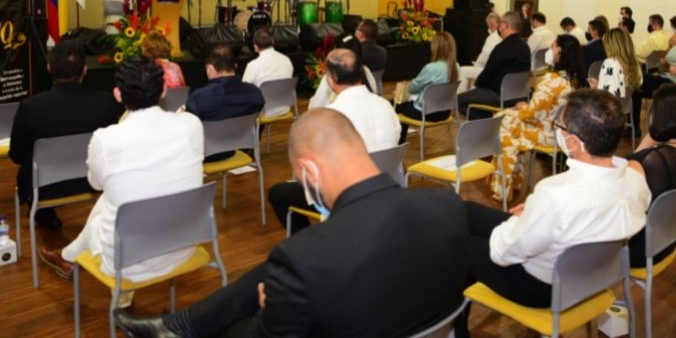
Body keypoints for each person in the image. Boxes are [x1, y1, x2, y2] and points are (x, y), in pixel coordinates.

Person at [114, 109, 471, 338]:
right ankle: (182, 326)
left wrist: (272, 311)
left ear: (311, 170)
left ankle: (186, 329)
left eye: (300, 179)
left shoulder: (305, 257)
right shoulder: (448, 204)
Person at [464, 89, 650, 307]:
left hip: (543, 289)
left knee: (458, 241)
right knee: (466, 211)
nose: (558, 133)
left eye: (560, 127)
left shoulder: (554, 194)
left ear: (573, 143)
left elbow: (501, 254)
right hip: (589, 278)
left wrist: (523, 218)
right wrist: (535, 212)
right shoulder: (636, 181)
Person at [38, 57, 204, 287]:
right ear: (164, 90)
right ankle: (67, 256)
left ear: (118, 95)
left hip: (126, 262)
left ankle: (67, 256)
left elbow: (95, 184)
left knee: (110, 198)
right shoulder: (192, 124)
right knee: (118, 196)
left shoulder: (106, 139)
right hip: (184, 244)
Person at [269, 48, 401, 231]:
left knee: (278, 193)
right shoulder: (385, 104)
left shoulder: (333, 116)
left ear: (330, 81)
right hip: (385, 184)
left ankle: (311, 243)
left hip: (348, 195)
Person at [9, 40, 120, 229]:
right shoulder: (106, 103)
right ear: (85, 70)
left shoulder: (30, 107)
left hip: (43, 188)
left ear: (48, 68)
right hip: (93, 181)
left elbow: (17, 156)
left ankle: (44, 214)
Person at [489, 34, 583, 201]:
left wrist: (520, 109)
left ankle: (504, 185)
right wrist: (524, 109)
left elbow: (531, 113)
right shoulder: (572, 79)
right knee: (508, 121)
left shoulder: (551, 80)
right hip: (559, 132)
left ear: (559, 51)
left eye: (553, 46)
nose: (550, 49)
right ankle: (511, 181)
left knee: (502, 122)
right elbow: (546, 110)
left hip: (546, 135)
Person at [627, 83, 676, 267]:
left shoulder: (650, 162)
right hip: (667, 241)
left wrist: (650, 137)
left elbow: (626, 173)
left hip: (638, 251)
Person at [186, 44, 264, 161]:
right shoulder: (255, 93)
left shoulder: (200, 97)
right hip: (237, 149)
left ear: (210, 69)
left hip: (204, 155)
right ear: (235, 66)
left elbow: (189, 129)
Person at [457, 12, 531, 119]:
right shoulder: (525, 47)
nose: (499, 27)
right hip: (519, 94)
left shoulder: (502, 48)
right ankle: (490, 123)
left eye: (500, 23)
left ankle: (487, 123)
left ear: (505, 25)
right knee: (475, 98)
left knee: (458, 100)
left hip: (498, 95)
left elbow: (486, 76)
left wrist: (477, 86)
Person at [395, 32, 459, 142]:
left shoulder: (431, 68)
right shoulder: (456, 67)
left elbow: (412, 88)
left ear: (436, 48)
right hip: (445, 112)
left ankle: (399, 144)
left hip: (426, 113)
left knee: (396, 104)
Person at [241, 28, 294, 117]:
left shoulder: (253, 65)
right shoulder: (286, 60)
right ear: (273, 42)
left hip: (263, 111)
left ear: (255, 46)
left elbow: (244, 90)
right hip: (284, 108)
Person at [589, 27, 642, 98]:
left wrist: (596, 87)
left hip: (612, 108)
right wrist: (601, 84)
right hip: (628, 106)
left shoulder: (610, 63)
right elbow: (619, 89)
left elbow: (606, 97)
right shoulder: (635, 64)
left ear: (609, 46)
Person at [458, 12, 502, 91]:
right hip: (499, 71)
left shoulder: (492, 38)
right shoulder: (503, 36)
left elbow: (483, 58)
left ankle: (460, 97)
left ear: (491, 25)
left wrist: (475, 65)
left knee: (463, 70)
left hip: (489, 70)